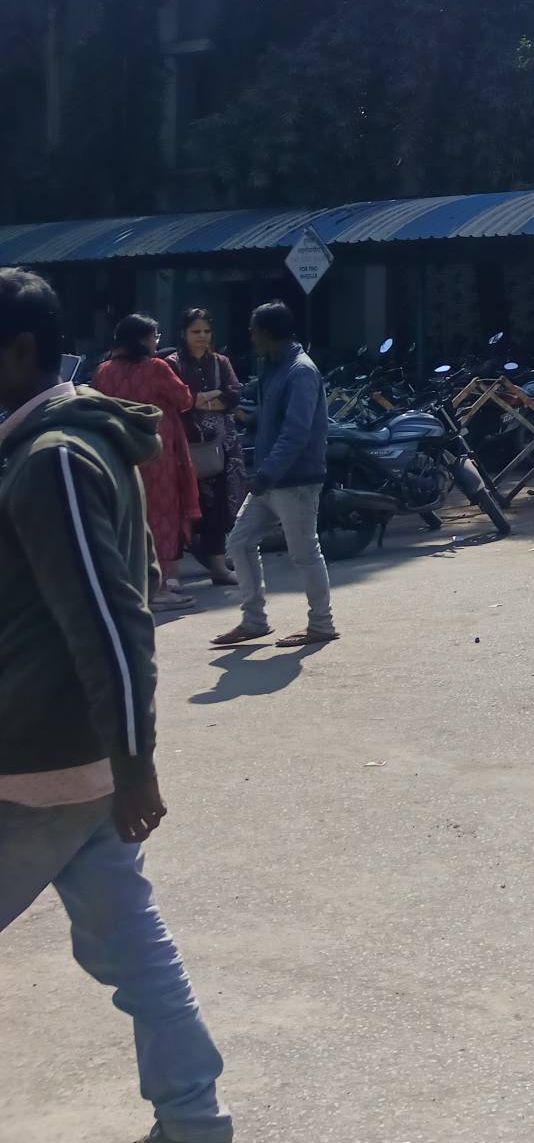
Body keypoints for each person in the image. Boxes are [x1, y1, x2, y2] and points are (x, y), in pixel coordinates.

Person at [0, 267, 232, 1143]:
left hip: (42, 761)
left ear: (19, 351)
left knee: (131, 947)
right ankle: (194, 1117)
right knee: (130, 947)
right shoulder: (66, 439)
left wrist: (137, 764)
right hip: (82, 760)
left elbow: (112, 620)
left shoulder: (54, 460)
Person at [211, 301, 335, 649]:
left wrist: (265, 475)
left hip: (295, 481)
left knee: (304, 553)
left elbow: (296, 434)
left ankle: (321, 624)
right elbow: (263, 410)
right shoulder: (273, 366)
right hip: (270, 479)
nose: (250, 337)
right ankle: (254, 621)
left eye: (253, 331)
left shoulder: (300, 371)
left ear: (267, 333)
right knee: (239, 543)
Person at [90, 316, 203, 610]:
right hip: (156, 454)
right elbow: (185, 399)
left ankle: (133, 585)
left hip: (119, 452)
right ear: (142, 339)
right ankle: (160, 587)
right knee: (161, 517)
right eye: (154, 336)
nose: (156, 341)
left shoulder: (103, 370)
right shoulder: (156, 368)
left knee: (128, 518)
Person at [164, 310, 242, 588]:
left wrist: (200, 400)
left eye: (206, 331)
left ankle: (219, 568)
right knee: (177, 506)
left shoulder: (221, 362)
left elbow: (233, 394)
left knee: (217, 506)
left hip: (219, 446)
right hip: (182, 444)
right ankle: (171, 574)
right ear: (183, 333)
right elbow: (179, 399)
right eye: (196, 331)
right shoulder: (172, 364)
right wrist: (208, 397)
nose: (202, 337)